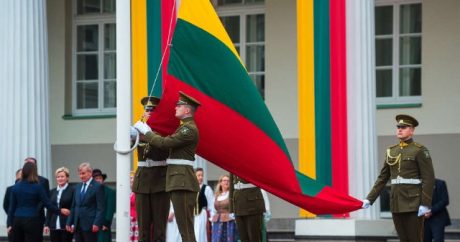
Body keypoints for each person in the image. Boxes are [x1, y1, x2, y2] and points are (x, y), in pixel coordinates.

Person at [135, 91, 201, 242]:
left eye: (179, 105)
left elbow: (165, 144)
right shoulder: (184, 127)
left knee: (185, 230)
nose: (176, 107)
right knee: (184, 230)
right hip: (175, 180)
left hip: (181, 181)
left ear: (187, 109)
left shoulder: (188, 129)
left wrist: (146, 131)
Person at [362, 114, 435, 242]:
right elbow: (382, 178)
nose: (400, 129)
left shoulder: (419, 150)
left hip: (413, 203)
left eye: (404, 127)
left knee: (415, 239)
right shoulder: (392, 151)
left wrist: (425, 204)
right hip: (396, 202)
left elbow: (429, 178)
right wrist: (369, 198)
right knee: (403, 239)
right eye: (398, 127)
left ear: (412, 130)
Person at [132, 96, 170, 242]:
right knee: (143, 228)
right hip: (142, 182)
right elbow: (126, 148)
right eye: (147, 110)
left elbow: (162, 146)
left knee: (160, 228)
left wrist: (147, 133)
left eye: (152, 110)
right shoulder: (138, 129)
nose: (149, 113)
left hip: (159, 181)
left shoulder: (164, 130)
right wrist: (130, 135)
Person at [7, 162, 69, 242]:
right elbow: (48, 204)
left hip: (17, 220)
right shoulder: (37, 187)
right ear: (34, 172)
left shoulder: (16, 187)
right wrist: (60, 211)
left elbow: (11, 208)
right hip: (32, 220)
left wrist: (9, 224)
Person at [66, 162, 106, 242]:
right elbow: (74, 206)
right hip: (78, 224)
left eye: (83, 173)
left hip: (90, 224)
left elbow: (101, 207)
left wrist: (97, 222)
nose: (81, 176)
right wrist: (69, 221)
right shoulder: (77, 187)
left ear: (90, 172)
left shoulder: (98, 186)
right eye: (79, 174)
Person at [44, 167, 75, 242]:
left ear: (67, 178)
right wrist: (47, 224)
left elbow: (74, 207)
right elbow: (50, 209)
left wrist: (73, 223)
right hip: (53, 225)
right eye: (58, 177)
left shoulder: (73, 190)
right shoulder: (52, 191)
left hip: (67, 224)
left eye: (62, 176)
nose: (60, 178)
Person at [24, 157, 50, 242]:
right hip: (22, 217)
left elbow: (45, 199)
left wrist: (35, 210)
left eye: (30, 164)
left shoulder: (43, 181)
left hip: (37, 216)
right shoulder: (19, 181)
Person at [92, 169, 116, 242]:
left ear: (103, 180)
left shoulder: (110, 192)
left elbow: (110, 209)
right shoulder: (89, 191)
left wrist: (106, 223)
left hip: (103, 225)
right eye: (96, 179)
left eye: (100, 178)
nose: (98, 180)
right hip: (90, 224)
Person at [211, 175, 236, 242]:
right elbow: (213, 209)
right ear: (220, 183)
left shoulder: (232, 194)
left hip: (228, 221)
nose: (226, 182)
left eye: (228, 181)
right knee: (217, 239)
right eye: (224, 180)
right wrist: (212, 220)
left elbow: (235, 207)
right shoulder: (216, 195)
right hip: (217, 221)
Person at [194, 168, 214, 242]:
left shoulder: (207, 188)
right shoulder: (192, 189)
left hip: (202, 214)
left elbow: (211, 204)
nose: (201, 177)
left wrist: (211, 218)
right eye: (198, 175)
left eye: (202, 175)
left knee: (201, 234)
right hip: (192, 216)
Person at [3, 169, 22, 242]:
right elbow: (5, 205)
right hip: (12, 221)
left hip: (26, 222)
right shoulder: (10, 189)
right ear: (16, 176)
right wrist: (13, 215)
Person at [130, 171, 139, 242]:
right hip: (129, 219)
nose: (131, 180)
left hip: (136, 219)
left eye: (133, 178)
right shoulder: (127, 192)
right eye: (130, 178)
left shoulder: (138, 193)